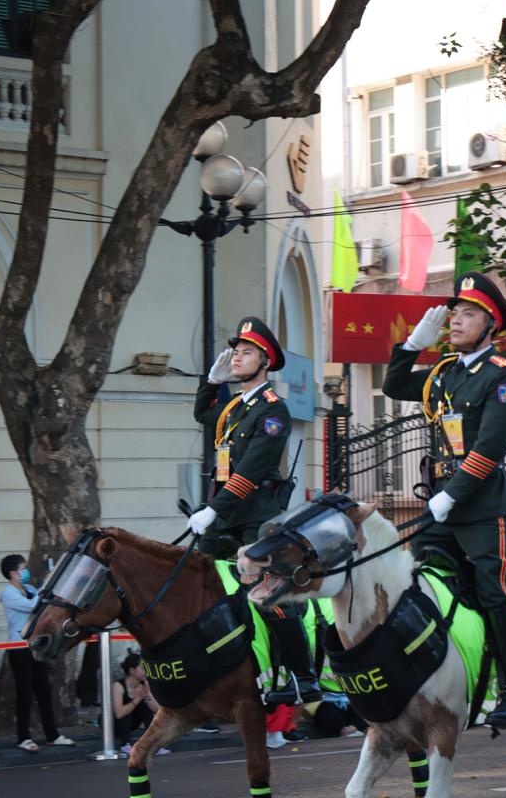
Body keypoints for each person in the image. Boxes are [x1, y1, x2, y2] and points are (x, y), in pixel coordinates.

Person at [382, 271, 506, 728]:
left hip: (481, 506)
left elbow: (488, 449)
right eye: (455, 315)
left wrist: (453, 497)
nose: (456, 322)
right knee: (417, 584)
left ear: (491, 326)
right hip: (441, 504)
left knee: (495, 590)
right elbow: (393, 386)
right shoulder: (445, 373)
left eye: (469, 314)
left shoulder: (502, 378)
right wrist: (411, 346)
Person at [187, 317, 319, 705]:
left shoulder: (273, 411)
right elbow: (202, 414)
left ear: (265, 362)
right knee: (195, 581)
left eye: (247, 353)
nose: (237, 358)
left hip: (255, 516)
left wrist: (212, 510)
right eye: (237, 352)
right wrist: (211, 382)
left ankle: (303, 678)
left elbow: (250, 472)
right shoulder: (233, 408)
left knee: (267, 593)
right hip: (226, 512)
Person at [0, 554, 74, 753]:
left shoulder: (30, 590)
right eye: (23, 568)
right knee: (24, 692)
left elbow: (44, 604)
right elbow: (35, 607)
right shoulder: (8, 593)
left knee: (44, 690)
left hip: (35, 645)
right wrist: (46, 594)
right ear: (14, 573)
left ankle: (52, 735)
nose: (26, 571)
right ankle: (23, 737)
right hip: (18, 647)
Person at [111, 651, 167, 755]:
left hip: (132, 723)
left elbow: (158, 710)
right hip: (115, 725)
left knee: (144, 705)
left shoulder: (144, 684)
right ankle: (125, 745)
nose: (147, 671)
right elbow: (119, 714)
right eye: (143, 668)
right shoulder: (118, 685)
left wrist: (147, 697)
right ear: (132, 670)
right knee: (128, 706)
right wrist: (137, 698)